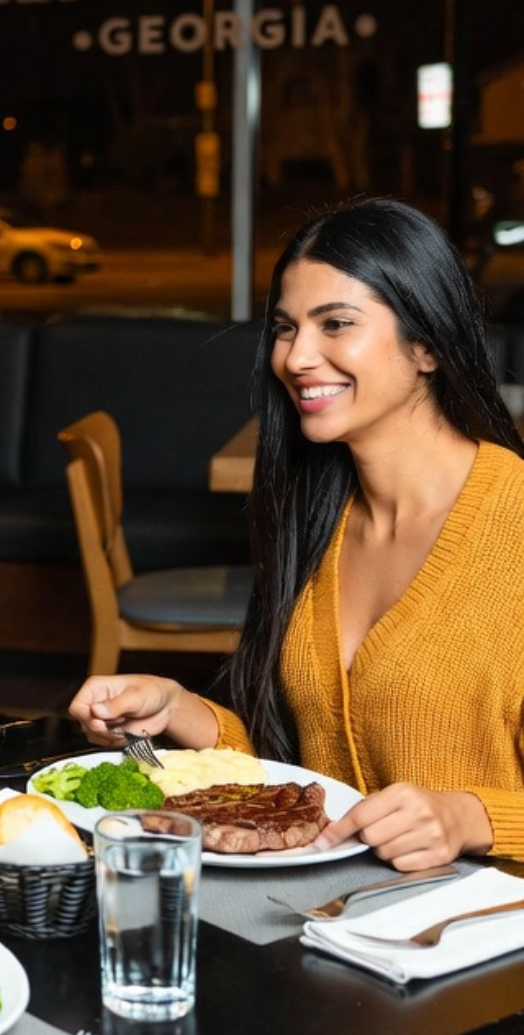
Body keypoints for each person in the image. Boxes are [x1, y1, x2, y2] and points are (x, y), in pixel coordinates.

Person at [68, 196, 524, 872]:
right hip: (331, 912)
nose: (297, 357)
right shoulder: (319, 516)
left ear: (426, 344)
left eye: (336, 323)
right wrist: (178, 709)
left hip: (484, 920)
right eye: (286, 328)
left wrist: (472, 817)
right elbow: (302, 774)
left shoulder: (512, 526)